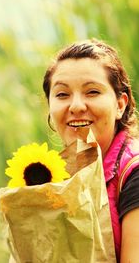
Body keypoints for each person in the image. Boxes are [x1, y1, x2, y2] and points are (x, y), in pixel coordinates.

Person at [43, 38, 139, 263]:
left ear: (120, 105)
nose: (76, 106)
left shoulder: (133, 174)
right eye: (62, 94)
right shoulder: (51, 177)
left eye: (92, 92)